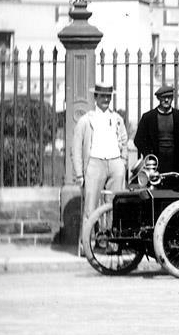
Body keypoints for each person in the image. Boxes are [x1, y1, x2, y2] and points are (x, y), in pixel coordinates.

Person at [71, 82, 128, 245]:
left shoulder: (117, 118)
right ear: (95, 97)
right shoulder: (86, 120)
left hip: (114, 163)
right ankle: (87, 244)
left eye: (108, 96)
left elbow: (124, 140)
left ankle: (112, 243)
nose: (105, 99)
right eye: (102, 96)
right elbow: (76, 148)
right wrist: (79, 174)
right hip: (95, 164)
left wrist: (122, 162)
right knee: (90, 206)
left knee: (114, 205)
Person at [133, 84, 179, 173]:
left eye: (169, 97)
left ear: (172, 98)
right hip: (155, 162)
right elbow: (138, 140)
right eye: (163, 97)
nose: (166, 100)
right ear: (158, 98)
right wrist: (149, 155)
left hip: (176, 162)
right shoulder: (148, 117)